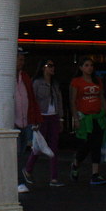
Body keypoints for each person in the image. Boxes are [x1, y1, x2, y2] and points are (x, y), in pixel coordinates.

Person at [69, 57, 106, 186]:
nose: (89, 68)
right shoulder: (76, 82)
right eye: (86, 65)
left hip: (97, 117)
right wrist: (75, 118)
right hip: (85, 118)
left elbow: (101, 97)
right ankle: (76, 164)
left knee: (96, 144)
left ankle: (95, 174)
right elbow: (73, 101)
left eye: (91, 65)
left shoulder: (97, 81)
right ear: (81, 68)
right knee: (85, 145)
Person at [32, 59, 64, 187]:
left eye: (53, 66)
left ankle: (54, 177)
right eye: (49, 66)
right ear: (43, 68)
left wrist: (61, 118)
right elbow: (33, 101)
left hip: (53, 116)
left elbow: (59, 101)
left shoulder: (55, 84)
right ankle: (28, 169)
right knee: (39, 145)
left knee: (53, 146)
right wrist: (34, 119)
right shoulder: (37, 83)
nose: (52, 68)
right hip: (42, 117)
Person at [14, 49, 41, 193]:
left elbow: (31, 99)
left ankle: (18, 180)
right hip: (14, 121)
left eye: (23, 59)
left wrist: (34, 119)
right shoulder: (8, 77)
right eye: (19, 59)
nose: (21, 62)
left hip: (24, 121)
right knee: (17, 152)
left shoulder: (25, 77)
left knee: (21, 151)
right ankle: (18, 181)